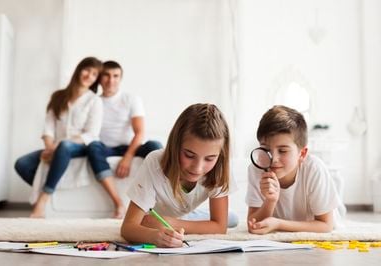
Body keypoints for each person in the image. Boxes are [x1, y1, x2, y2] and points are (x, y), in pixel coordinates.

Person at [121, 103, 237, 248]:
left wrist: (171, 223)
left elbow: (220, 228)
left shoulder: (219, 167)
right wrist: (154, 236)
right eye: (189, 155)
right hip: (158, 216)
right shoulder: (155, 162)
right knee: (147, 222)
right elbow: (128, 228)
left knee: (233, 219)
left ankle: (187, 217)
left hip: (175, 217)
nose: (198, 168)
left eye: (209, 158)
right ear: (175, 145)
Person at [14, 57, 103, 218]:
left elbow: (91, 133)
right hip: (56, 147)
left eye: (94, 74)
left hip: (80, 146)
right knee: (22, 163)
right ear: (79, 70)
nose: (89, 75)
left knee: (65, 146)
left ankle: (42, 202)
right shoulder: (58, 96)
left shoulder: (95, 101)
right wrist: (50, 148)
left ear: (96, 79)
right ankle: (51, 188)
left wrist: (57, 147)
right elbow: (48, 127)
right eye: (87, 70)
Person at [246, 105, 346, 234]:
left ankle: (339, 208)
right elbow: (252, 223)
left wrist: (278, 224)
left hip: (323, 218)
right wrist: (270, 201)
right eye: (266, 149)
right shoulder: (257, 168)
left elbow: (325, 225)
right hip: (289, 219)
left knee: (338, 212)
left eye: (282, 151)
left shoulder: (314, 168)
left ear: (302, 154)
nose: (273, 159)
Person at [86, 60, 162, 219]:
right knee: (92, 147)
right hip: (105, 147)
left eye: (115, 76)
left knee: (156, 145)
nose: (111, 80)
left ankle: (162, 202)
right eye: (106, 75)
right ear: (100, 78)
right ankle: (119, 204)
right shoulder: (93, 101)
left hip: (130, 146)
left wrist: (127, 158)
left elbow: (139, 133)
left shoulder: (131, 99)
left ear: (120, 78)